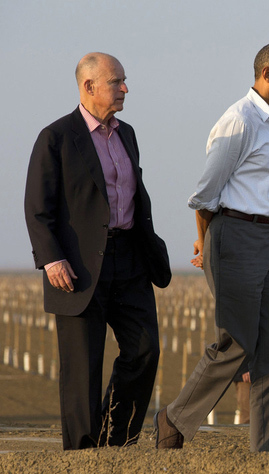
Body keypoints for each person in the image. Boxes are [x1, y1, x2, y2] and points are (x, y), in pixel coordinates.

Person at [153, 43, 269, 453]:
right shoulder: (239, 121)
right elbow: (205, 196)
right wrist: (206, 242)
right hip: (236, 235)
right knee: (235, 342)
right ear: (267, 74)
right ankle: (174, 418)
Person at [24, 52, 171, 450]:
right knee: (83, 365)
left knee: (145, 349)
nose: (125, 88)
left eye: (124, 80)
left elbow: (134, 196)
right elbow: (37, 206)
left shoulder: (127, 134)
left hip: (130, 259)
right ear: (89, 86)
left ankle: (116, 439)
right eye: (116, 81)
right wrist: (51, 258)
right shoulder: (56, 137)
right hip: (78, 267)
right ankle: (83, 453)